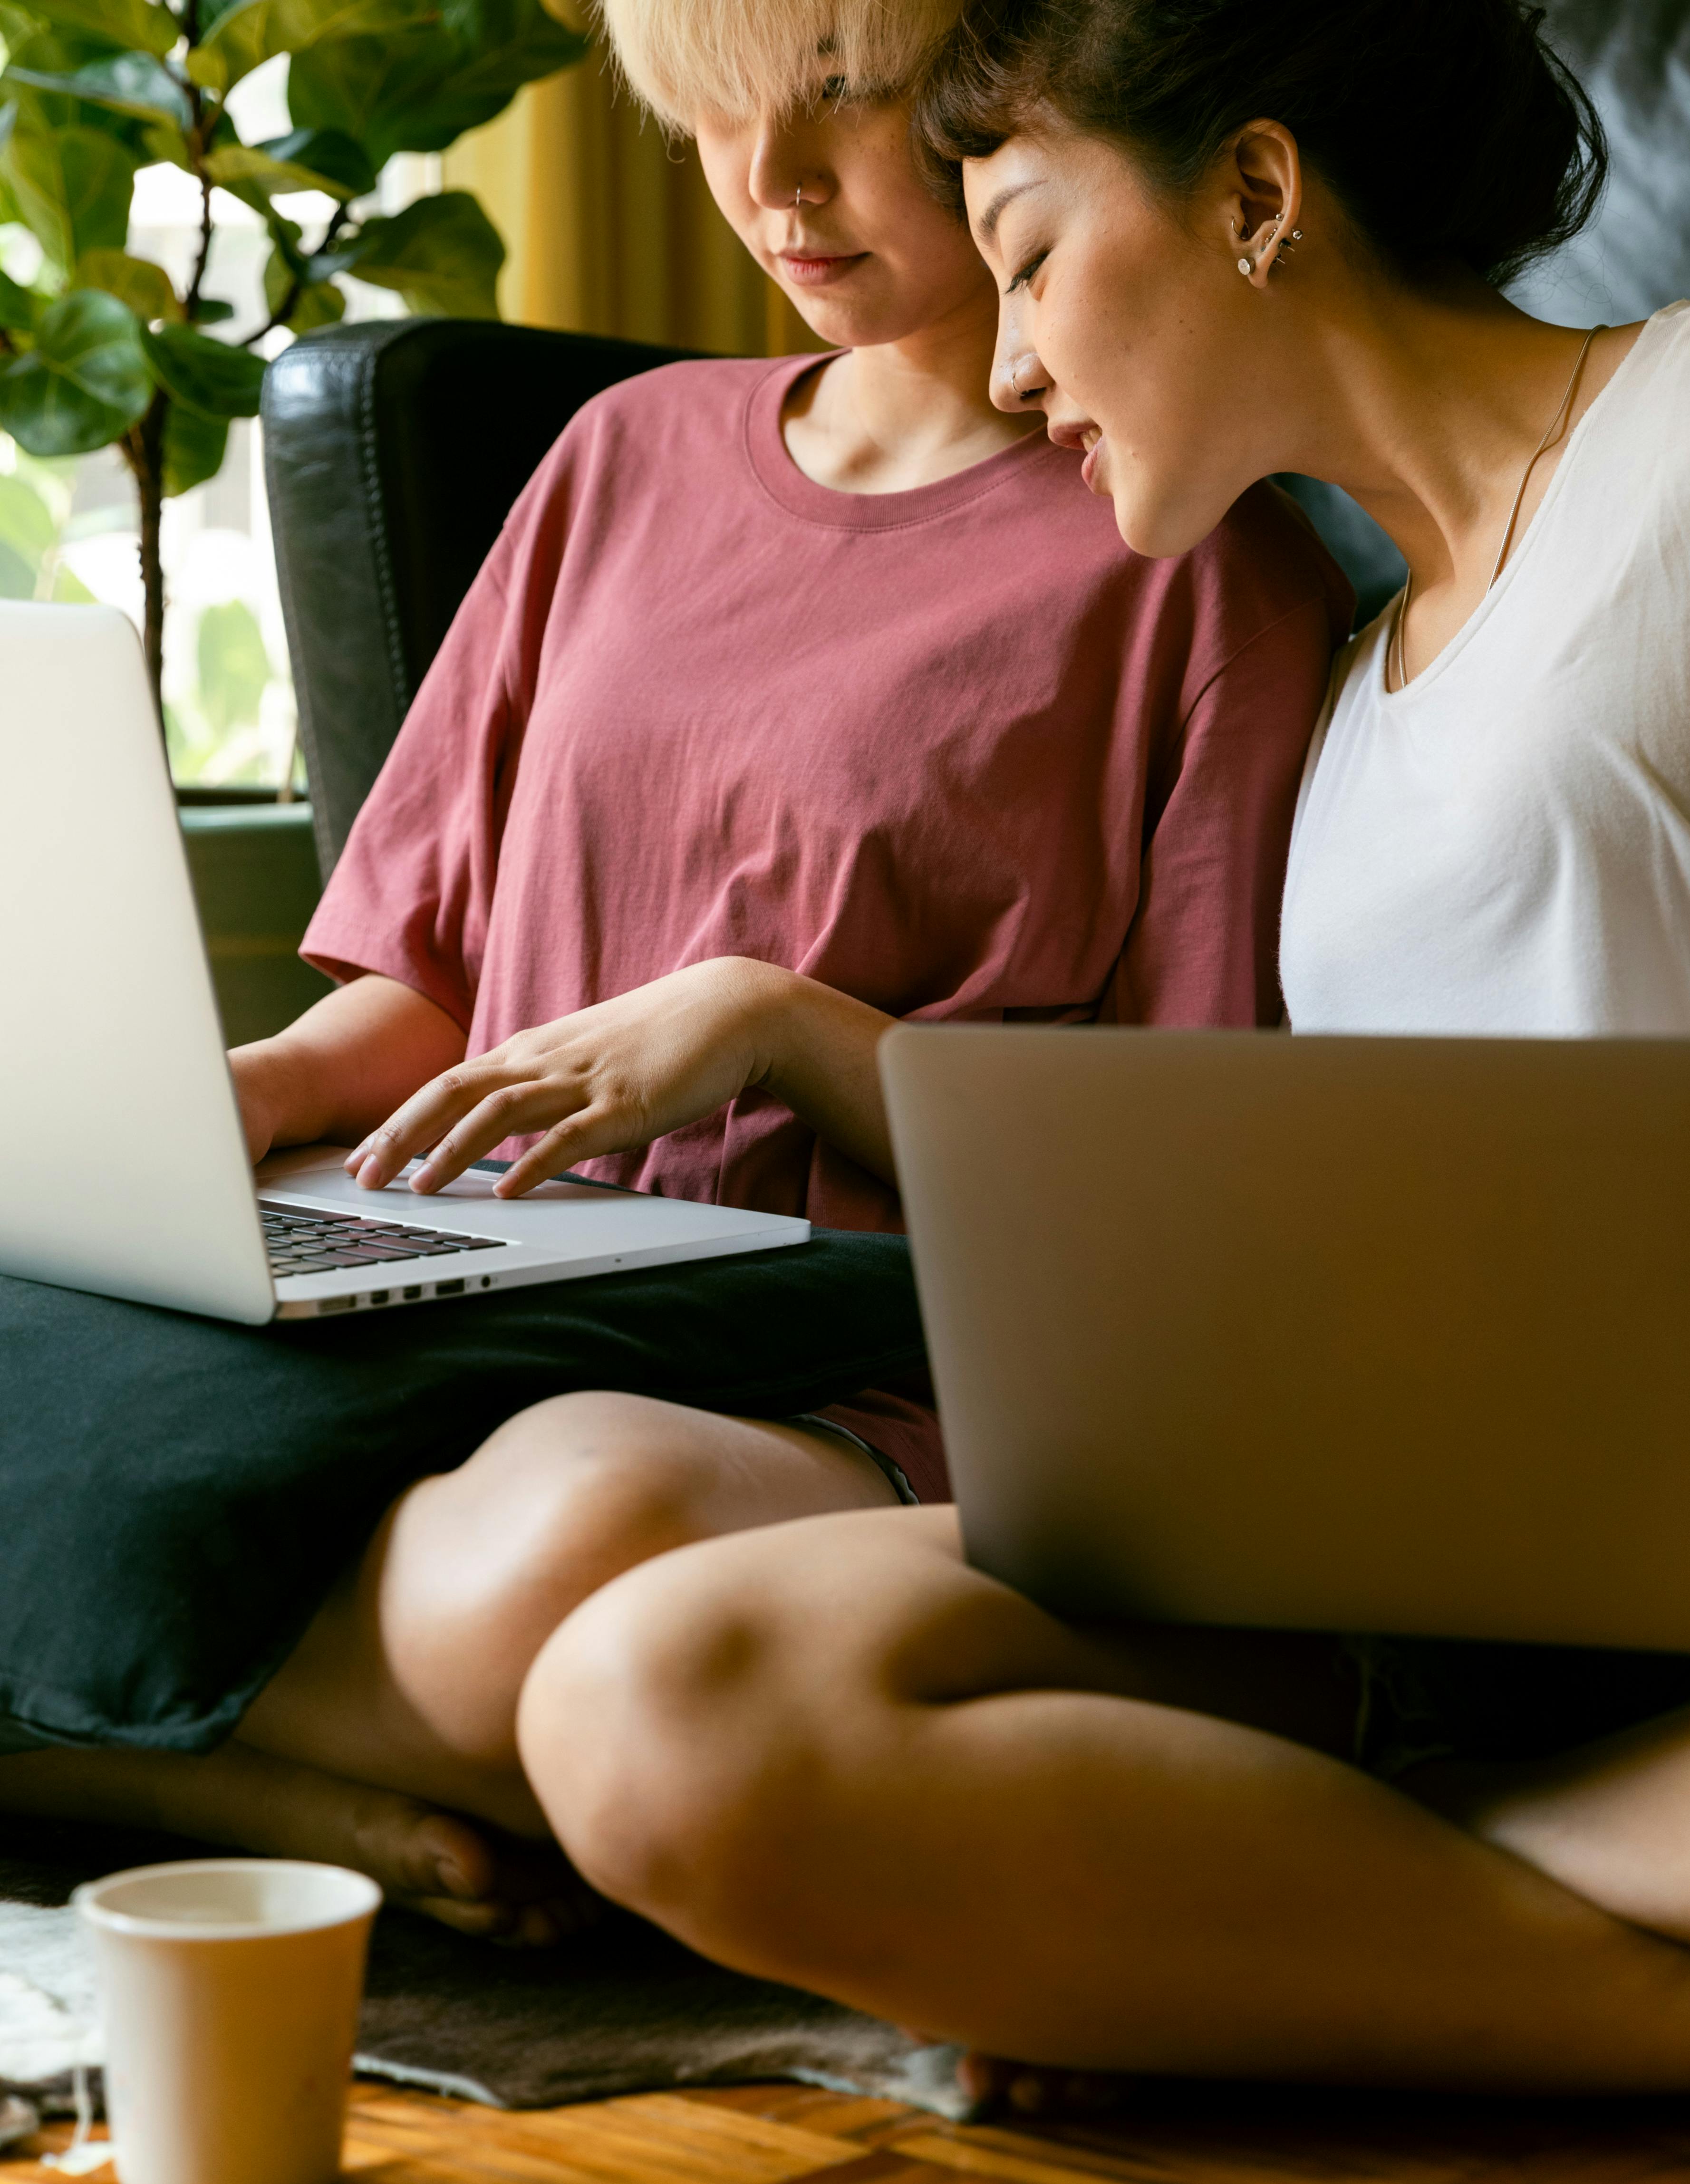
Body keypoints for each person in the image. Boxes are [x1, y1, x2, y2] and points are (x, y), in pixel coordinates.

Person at [0, 0, 1345, 1936]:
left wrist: (778, 1031)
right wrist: (237, 1101)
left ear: (1004, 90)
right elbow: (436, 989)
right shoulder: (619, 458)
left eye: (838, 100)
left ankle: (112, 1747)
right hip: (474, 1245)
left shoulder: (1201, 566)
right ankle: (185, 1761)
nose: (770, 187)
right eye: (715, 116)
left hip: (856, 1343)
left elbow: (1175, 1166)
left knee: (563, 1545)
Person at [507, 0, 1690, 2091]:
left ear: (1254, 199)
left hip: (1630, 1578)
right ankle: (1557, 1938)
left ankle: (1342, 1909)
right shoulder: (1341, 682)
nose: (1017, 357)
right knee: (649, 1698)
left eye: (1036, 254)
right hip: (1402, 1567)